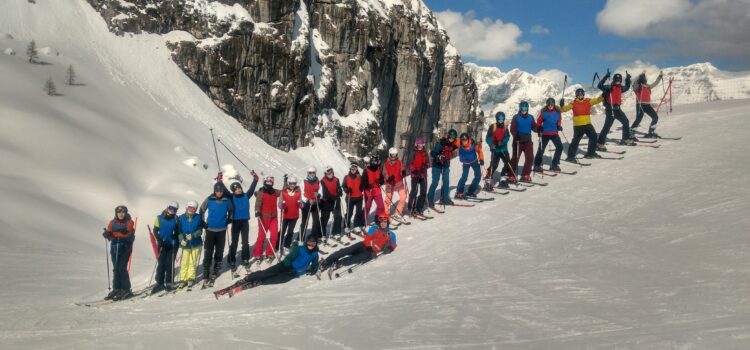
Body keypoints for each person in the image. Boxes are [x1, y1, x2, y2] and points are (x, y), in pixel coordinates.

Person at [229, 235, 320, 289]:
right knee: (268, 272)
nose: (311, 245)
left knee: (279, 279)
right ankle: (248, 278)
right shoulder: (300, 249)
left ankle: (259, 282)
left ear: (315, 244)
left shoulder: (315, 254)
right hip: (285, 266)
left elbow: (315, 264)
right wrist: (288, 266)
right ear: (306, 242)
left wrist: (313, 270)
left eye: (313, 244)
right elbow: (289, 257)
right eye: (309, 243)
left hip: (294, 273)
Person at [319, 211, 397, 273]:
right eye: (381, 221)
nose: (382, 223)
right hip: (363, 245)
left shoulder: (391, 234)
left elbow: (393, 244)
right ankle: (326, 261)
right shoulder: (374, 228)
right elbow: (368, 238)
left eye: (385, 221)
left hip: (371, 253)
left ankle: (339, 263)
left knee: (356, 258)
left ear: (388, 222)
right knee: (346, 250)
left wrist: (390, 248)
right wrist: (369, 247)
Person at [200, 182, 234, 285]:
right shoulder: (209, 199)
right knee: (208, 252)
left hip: (222, 230)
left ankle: (216, 268)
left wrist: (229, 219)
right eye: (217, 191)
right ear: (214, 190)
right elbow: (201, 209)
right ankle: (206, 271)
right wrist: (203, 222)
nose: (219, 193)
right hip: (210, 230)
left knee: (219, 251)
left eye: (221, 191)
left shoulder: (227, 200)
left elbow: (231, 210)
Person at [102, 205, 135, 300]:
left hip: (125, 248)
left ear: (126, 213)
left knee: (121, 268)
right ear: (116, 213)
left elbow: (128, 235)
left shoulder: (129, 222)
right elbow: (110, 236)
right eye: (119, 212)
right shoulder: (112, 223)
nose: (121, 214)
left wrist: (114, 233)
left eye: (123, 212)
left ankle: (126, 289)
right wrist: (107, 235)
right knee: (116, 268)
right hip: (115, 248)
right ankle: (117, 288)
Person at [560, 88, 604, 161]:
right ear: (576, 95)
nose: (580, 95)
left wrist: (603, 95)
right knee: (575, 141)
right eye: (578, 94)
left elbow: (597, 100)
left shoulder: (588, 101)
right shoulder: (573, 103)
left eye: (581, 94)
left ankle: (591, 153)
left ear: (583, 94)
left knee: (593, 137)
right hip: (578, 126)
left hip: (587, 124)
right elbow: (564, 109)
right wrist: (562, 105)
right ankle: (570, 157)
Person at [228, 172, 259, 271]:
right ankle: (231, 259)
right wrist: (219, 181)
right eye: (236, 189)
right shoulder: (231, 197)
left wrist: (255, 180)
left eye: (239, 188)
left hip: (245, 222)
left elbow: (252, 189)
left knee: (245, 242)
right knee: (234, 242)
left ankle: (245, 259)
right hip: (235, 222)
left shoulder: (246, 195)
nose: (238, 190)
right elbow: (223, 191)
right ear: (233, 191)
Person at [596, 71, 635, 150]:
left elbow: (627, 87)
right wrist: (606, 76)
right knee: (607, 127)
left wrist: (627, 79)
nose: (618, 81)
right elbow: (599, 85)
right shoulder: (609, 87)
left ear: (621, 80)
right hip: (610, 110)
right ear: (614, 80)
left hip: (617, 109)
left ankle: (625, 139)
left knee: (626, 122)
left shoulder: (620, 87)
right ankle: (599, 143)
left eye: (619, 80)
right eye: (616, 79)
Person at [152, 201, 180, 293]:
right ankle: (159, 283)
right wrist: (160, 241)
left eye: (174, 209)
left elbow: (178, 232)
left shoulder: (176, 219)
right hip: (162, 244)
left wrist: (174, 237)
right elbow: (155, 231)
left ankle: (169, 283)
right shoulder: (159, 218)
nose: (172, 211)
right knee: (161, 264)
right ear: (168, 207)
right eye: (171, 208)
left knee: (169, 264)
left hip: (172, 244)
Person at [253, 176, 281, 261]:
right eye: (267, 181)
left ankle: (270, 252)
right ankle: (257, 253)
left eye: (271, 182)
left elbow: (284, 192)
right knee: (262, 236)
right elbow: (258, 203)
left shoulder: (275, 192)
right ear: (264, 182)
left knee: (274, 236)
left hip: (273, 218)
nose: (269, 183)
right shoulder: (261, 192)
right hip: (263, 218)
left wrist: (286, 181)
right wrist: (257, 211)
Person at [428, 129, 458, 207]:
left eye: (453, 138)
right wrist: (439, 156)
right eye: (451, 137)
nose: (452, 139)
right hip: (437, 164)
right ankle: (430, 199)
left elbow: (461, 143)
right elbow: (432, 153)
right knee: (435, 182)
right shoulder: (441, 143)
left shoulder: (453, 144)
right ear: (448, 136)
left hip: (446, 163)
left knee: (446, 181)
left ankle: (445, 198)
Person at [533, 98, 564, 172]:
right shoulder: (544, 113)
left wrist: (559, 126)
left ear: (554, 104)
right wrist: (539, 127)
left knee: (560, 147)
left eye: (551, 104)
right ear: (547, 105)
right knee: (541, 149)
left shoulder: (557, 113)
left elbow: (559, 121)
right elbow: (538, 121)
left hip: (554, 133)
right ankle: (537, 165)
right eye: (549, 104)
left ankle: (554, 165)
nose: (550, 106)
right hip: (545, 134)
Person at [510, 101, 538, 183]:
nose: (524, 110)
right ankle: (511, 175)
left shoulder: (530, 117)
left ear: (528, 109)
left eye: (525, 108)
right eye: (522, 108)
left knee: (530, 158)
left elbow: (534, 127)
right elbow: (512, 129)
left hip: (528, 141)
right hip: (518, 141)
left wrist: (539, 129)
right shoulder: (516, 117)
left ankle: (525, 175)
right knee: (515, 158)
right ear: (520, 108)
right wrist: (516, 135)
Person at [177, 200, 203, 288]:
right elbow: (179, 231)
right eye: (190, 208)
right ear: (187, 207)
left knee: (192, 262)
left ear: (196, 209)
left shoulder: (198, 217)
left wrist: (193, 235)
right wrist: (181, 240)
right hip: (185, 245)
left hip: (196, 244)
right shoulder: (180, 218)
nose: (191, 210)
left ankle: (190, 279)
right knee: (184, 262)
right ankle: (183, 279)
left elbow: (200, 230)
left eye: (193, 209)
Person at [631, 71, 664, 138]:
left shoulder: (648, 86)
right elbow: (634, 84)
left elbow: (655, 83)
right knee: (638, 119)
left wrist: (660, 77)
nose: (644, 80)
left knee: (655, 117)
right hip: (640, 105)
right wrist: (640, 75)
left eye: (644, 79)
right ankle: (630, 133)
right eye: (643, 79)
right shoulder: (637, 87)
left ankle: (651, 132)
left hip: (647, 105)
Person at [485, 112, 511, 190]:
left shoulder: (505, 127)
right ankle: (488, 180)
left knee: (508, 163)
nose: (501, 120)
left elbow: (507, 136)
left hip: (503, 148)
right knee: (494, 164)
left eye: (502, 118)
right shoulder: (493, 126)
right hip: (495, 149)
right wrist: (491, 144)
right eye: (499, 119)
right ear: (497, 119)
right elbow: (488, 138)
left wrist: (503, 142)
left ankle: (503, 179)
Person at [455, 132, 484, 198]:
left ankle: (470, 191)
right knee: (464, 177)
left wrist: (481, 159)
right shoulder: (459, 143)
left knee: (478, 175)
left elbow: (479, 151)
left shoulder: (473, 144)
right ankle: (459, 192)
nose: (464, 142)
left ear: (468, 139)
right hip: (465, 163)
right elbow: (452, 141)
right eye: (463, 140)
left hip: (474, 161)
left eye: (465, 140)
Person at [319, 166, 343, 240]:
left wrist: (340, 192)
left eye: (331, 172)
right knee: (325, 218)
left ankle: (336, 232)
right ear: (325, 173)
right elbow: (325, 193)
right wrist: (335, 196)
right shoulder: (322, 181)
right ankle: (322, 234)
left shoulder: (336, 179)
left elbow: (339, 189)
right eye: (328, 173)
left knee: (338, 216)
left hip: (336, 201)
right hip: (326, 202)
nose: (330, 174)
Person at [383, 147, 407, 220]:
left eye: (395, 155)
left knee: (403, 197)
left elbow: (402, 168)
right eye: (392, 155)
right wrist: (388, 178)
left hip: (399, 183)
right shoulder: (386, 164)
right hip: (390, 184)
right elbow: (384, 172)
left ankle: (398, 212)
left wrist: (403, 172)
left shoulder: (399, 162)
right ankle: (386, 214)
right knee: (388, 199)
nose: (393, 157)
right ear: (389, 155)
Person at [407, 137, 429, 216]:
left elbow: (428, 163)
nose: (420, 146)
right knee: (414, 192)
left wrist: (425, 166)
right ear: (416, 145)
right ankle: (411, 208)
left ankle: (419, 208)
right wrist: (415, 169)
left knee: (423, 191)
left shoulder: (425, 153)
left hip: (423, 175)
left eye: (421, 145)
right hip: (415, 175)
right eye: (418, 145)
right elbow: (409, 164)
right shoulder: (413, 152)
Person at [300, 167, 323, 241]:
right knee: (305, 222)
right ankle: (300, 238)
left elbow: (320, 191)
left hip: (315, 204)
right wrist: (307, 200)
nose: (312, 174)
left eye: (313, 172)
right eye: (310, 173)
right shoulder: (303, 181)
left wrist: (319, 195)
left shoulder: (317, 181)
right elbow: (301, 194)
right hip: (306, 204)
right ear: (308, 173)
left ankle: (313, 237)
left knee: (316, 221)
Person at [342, 162, 365, 234]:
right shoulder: (346, 177)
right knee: (349, 212)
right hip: (350, 197)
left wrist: (362, 187)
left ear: (357, 169)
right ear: (350, 168)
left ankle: (356, 225)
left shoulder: (359, 176)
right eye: (352, 167)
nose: (353, 169)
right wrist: (346, 190)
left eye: (355, 167)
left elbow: (362, 184)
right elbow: (343, 186)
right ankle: (346, 226)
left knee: (358, 212)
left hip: (359, 197)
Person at [362, 155, 385, 223]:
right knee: (368, 206)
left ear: (377, 162)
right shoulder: (366, 170)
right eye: (373, 161)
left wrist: (380, 181)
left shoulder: (378, 170)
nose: (374, 163)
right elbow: (363, 181)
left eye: (375, 161)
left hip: (377, 190)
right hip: (369, 191)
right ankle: (363, 220)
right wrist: (368, 185)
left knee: (381, 206)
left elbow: (382, 180)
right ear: (371, 162)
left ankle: (377, 218)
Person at [280, 175, 301, 249]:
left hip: (294, 216)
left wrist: (301, 204)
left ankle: (286, 245)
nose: (292, 185)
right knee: (282, 231)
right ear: (288, 183)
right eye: (291, 183)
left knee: (290, 232)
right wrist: (281, 205)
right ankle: (278, 245)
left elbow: (301, 202)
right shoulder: (284, 192)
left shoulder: (298, 192)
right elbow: (279, 203)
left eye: (294, 183)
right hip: (285, 215)